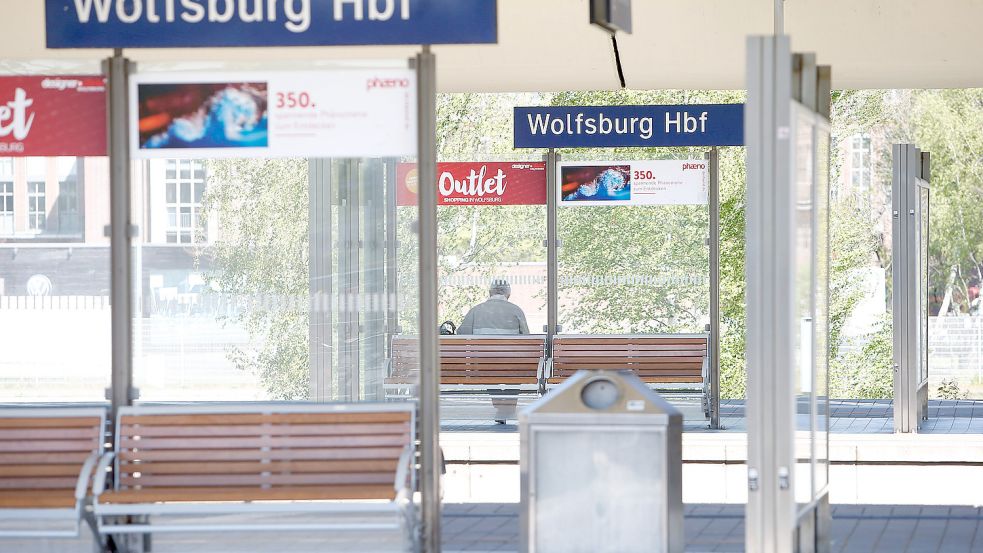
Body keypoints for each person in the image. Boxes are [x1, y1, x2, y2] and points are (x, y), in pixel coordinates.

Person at [457, 278, 530, 335]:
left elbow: (462, 334)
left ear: (490, 293)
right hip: (509, 354)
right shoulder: (517, 311)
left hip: (480, 354)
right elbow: (526, 336)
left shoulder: (475, 311)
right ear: (508, 294)